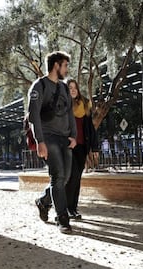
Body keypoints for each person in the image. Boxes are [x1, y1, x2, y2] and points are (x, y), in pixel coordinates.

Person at [28, 51, 77, 234]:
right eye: (65, 65)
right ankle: (62, 219)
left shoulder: (64, 88)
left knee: (65, 178)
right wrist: (40, 141)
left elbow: (70, 113)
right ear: (56, 65)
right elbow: (34, 117)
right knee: (58, 177)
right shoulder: (39, 86)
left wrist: (74, 135)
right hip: (48, 137)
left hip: (65, 138)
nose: (67, 69)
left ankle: (43, 201)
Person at [65, 79, 99, 220]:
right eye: (70, 88)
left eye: (75, 88)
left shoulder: (84, 106)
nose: (73, 90)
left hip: (81, 147)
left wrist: (94, 147)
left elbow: (90, 129)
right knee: (70, 177)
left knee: (77, 178)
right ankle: (66, 209)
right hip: (67, 147)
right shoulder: (63, 107)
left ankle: (73, 208)